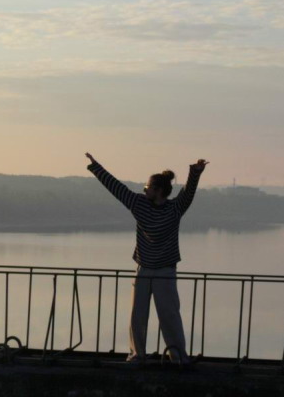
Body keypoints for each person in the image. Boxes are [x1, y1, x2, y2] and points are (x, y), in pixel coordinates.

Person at [85, 152, 208, 364]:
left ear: (158, 191)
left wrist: (195, 172)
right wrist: (97, 168)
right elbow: (117, 188)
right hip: (143, 269)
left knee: (169, 315)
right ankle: (137, 355)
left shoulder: (175, 208)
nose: (144, 190)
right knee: (138, 316)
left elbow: (188, 193)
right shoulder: (139, 204)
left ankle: (178, 358)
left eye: (147, 187)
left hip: (165, 271)